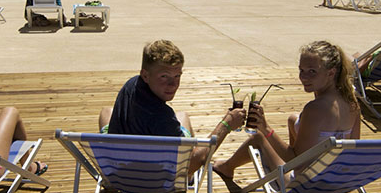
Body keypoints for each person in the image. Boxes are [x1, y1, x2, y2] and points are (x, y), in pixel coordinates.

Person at [214, 41, 361, 181]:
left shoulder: (315, 109)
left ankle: (227, 167)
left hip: (305, 184)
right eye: (301, 70)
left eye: (312, 71)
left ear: (331, 73)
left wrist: (266, 129)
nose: (304, 77)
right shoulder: (352, 103)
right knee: (293, 119)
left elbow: (296, 160)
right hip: (335, 178)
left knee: (259, 137)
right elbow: (353, 151)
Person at [99, 40, 244, 174]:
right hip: (154, 178)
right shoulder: (162, 117)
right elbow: (191, 164)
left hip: (117, 168)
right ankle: (188, 179)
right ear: (145, 75)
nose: (173, 85)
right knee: (183, 117)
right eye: (164, 76)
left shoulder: (131, 85)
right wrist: (227, 123)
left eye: (177, 76)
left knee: (106, 111)